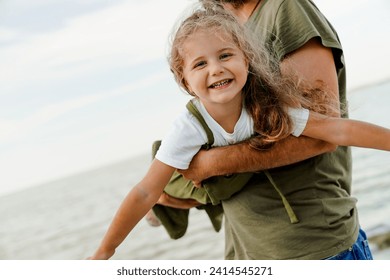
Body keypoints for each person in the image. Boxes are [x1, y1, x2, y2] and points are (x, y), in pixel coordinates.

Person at [88, 3, 389, 260]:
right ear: (185, 82)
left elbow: (337, 131)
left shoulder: (267, 107)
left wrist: (209, 165)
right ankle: (166, 206)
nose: (216, 69)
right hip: (249, 252)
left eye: (225, 56)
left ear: (247, 59)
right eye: (201, 64)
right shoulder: (189, 126)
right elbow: (143, 190)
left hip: (315, 247)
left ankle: (167, 205)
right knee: (163, 159)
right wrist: (104, 252)